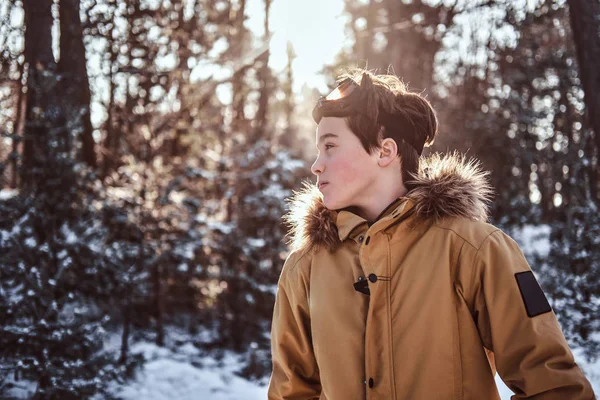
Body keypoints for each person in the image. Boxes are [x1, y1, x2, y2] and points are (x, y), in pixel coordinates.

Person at [267, 68, 596, 400]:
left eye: (330, 146)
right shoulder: (305, 268)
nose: (316, 165)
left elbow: (554, 387)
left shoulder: (475, 249)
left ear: (385, 151)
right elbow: (290, 393)